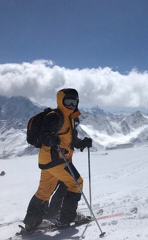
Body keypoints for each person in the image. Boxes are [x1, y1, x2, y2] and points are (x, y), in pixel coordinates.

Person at [22, 88, 92, 232]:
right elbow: (43, 135)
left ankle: (32, 223)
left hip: (49, 162)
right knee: (76, 183)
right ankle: (67, 217)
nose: (72, 105)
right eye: (68, 101)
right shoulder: (54, 116)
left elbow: (70, 140)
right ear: (61, 101)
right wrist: (49, 138)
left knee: (44, 192)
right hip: (56, 160)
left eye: (74, 102)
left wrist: (82, 143)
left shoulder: (72, 119)